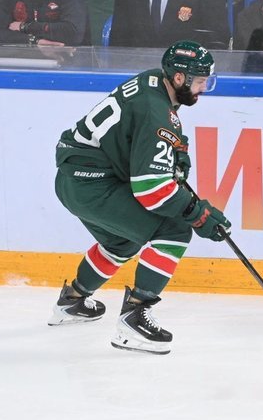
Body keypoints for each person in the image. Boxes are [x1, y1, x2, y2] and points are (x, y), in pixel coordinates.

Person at [49, 41, 231, 355]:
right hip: (93, 185)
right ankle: (134, 319)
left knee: (122, 241)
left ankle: (72, 301)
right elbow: (151, 191)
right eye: (201, 81)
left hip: (73, 180)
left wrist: (176, 149)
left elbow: (142, 131)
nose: (204, 88)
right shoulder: (155, 111)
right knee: (174, 230)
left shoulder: (153, 80)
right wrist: (198, 214)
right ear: (179, 78)